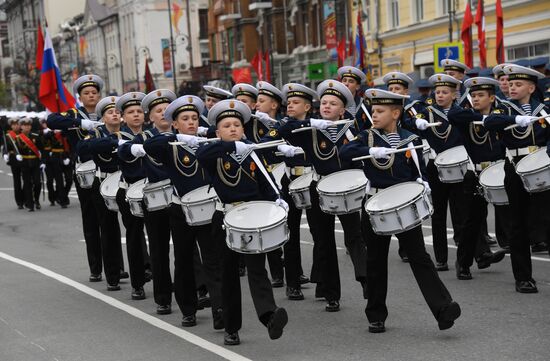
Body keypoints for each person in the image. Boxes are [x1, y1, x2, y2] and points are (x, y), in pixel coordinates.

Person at [340, 88, 461, 333]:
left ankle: (443, 308)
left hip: (404, 205)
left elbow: (420, 168)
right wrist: (369, 151)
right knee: (375, 261)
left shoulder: (411, 138)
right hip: (375, 205)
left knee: (420, 257)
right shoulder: (366, 138)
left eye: (380, 111)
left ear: (396, 113)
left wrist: (422, 181)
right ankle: (376, 315)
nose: (374, 115)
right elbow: (344, 153)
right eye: (373, 110)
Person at [196, 99, 288, 346]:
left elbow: (267, 182)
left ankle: (269, 316)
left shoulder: (252, 153)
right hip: (225, 217)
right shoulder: (214, 153)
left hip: (252, 216)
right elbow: (202, 154)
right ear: (218, 132)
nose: (233, 128)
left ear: (243, 128)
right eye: (226, 125)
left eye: (237, 124)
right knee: (228, 274)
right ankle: (231, 327)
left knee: (258, 269)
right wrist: (229, 146)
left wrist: (277, 199)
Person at [277, 80, 368, 312]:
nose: (327, 106)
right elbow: (283, 130)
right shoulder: (312, 130)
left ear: (342, 109)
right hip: (318, 187)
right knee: (324, 241)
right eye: (324, 102)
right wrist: (311, 122)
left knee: (354, 237)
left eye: (333, 103)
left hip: (346, 187)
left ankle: (366, 279)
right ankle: (331, 294)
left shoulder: (351, 129)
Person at [143, 94, 224, 329]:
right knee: (184, 260)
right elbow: (150, 145)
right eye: (184, 119)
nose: (191, 122)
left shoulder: (208, 141)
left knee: (212, 260)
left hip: (209, 207)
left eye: (194, 118)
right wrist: (175, 137)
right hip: (181, 210)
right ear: (175, 123)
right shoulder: (170, 146)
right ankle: (188, 309)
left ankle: (220, 309)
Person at [47, 74, 129, 283]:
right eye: (87, 93)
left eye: (94, 92)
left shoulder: (109, 112)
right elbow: (51, 120)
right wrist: (80, 123)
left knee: (110, 218)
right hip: (86, 173)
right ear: (80, 97)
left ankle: (117, 266)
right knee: (91, 219)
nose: (91, 96)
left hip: (110, 171)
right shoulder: (75, 113)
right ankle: (96, 267)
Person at [484, 64, 550, 293]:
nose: (512, 88)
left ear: (531, 88)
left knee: (546, 220)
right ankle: (523, 277)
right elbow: (489, 123)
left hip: (542, 168)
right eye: (510, 84)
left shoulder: (543, 109)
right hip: (514, 168)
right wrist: (515, 118)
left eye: (518, 84)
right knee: (518, 223)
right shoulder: (502, 109)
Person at [120, 89, 179, 313]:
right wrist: (132, 149)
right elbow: (124, 153)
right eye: (158, 110)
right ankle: (162, 296)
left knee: (187, 250)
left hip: (181, 200)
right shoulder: (141, 139)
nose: (164, 113)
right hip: (154, 199)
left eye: (167, 110)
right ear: (151, 117)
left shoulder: (183, 135)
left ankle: (194, 290)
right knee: (158, 249)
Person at [258, 82, 315, 300]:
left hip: (312, 179)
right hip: (290, 181)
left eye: (295, 103)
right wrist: (280, 145)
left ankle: (323, 281)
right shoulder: (283, 125)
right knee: (291, 234)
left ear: (307, 107)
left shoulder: (314, 125)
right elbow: (265, 142)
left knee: (319, 232)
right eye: (289, 102)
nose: (290, 105)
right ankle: (293, 283)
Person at [447, 77, 509, 279]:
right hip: (476, 174)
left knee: (511, 218)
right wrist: (480, 117)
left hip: (500, 172)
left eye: (481, 96)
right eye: (473, 95)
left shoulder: (500, 116)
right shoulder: (468, 118)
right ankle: (463, 263)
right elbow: (453, 114)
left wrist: (490, 120)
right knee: (472, 221)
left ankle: (512, 262)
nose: (476, 99)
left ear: (492, 98)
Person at [409, 74, 468, 271]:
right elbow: (407, 123)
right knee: (438, 213)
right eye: (438, 92)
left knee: (461, 211)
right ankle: (441, 257)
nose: (440, 96)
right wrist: (417, 123)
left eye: (445, 92)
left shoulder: (462, 112)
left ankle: (463, 260)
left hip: (459, 166)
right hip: (435, 166)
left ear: (454, 94)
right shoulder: (426, 113)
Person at [76, 96, 124, 292]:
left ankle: (143, 269)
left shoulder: (128, 132)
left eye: (117, 112)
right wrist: (111, 142)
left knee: (136, 228)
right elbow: (82, 149)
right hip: (103, 182)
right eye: (110, 112)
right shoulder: (96, 134)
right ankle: (112, 275)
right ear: (103, 118)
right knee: (108, 228)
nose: (115, 114)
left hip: (126, 182)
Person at [17, 117, 43, 212]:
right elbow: (16, 151)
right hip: (25, 163)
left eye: (28, 125)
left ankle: (36, 199)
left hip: (35, 162)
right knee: (27, 184)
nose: (27, 127)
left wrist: (42, 162)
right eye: (24, 125)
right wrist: (17, 157)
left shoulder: (35, 136)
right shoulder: (18, 138)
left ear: (30, 126)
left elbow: (41, 149)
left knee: (37, 183)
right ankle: (30, 204)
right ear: (21, 127)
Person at [3, 117, 25, 209]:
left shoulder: (23, 134)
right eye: (13, 125)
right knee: (17, 181)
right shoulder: (8, 135)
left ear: (19, 125)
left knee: (27, 179)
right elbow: (5, 146)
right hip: (13, 159)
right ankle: (19, 201)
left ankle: (25, 197)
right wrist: (4, 154)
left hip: (24, 158)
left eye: (17, 124)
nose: (15, 126)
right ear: (11, 126)